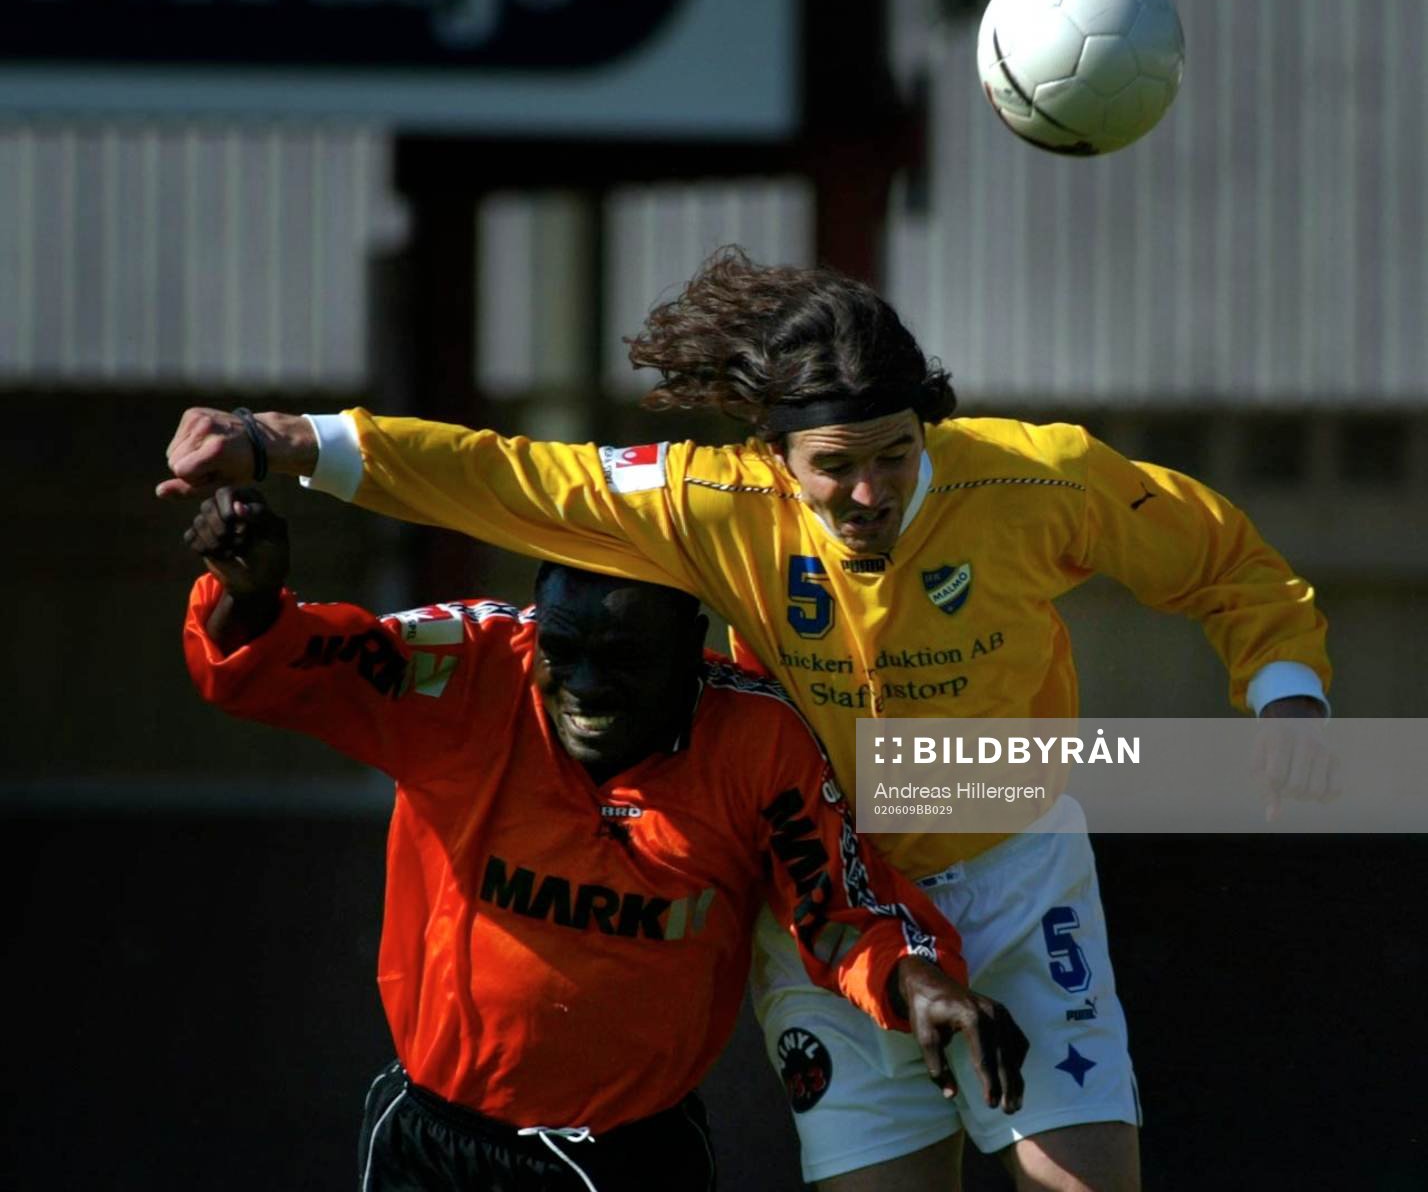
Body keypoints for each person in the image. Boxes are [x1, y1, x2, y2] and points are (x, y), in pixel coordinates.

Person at [160, 248, 1331, 1192]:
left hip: (1013, 863)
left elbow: (1223, 557)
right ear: (773, 452)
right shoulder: (708, 503)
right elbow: (503, 473)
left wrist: (1286, 692)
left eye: (896, 455)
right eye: (835, 466)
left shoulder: (1037, 481)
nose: (868, 492)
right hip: (834, 892)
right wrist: (279, 439)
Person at [181, 483, 1029, 1192]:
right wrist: (248, 599)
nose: (584, 685)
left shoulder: (755, 740)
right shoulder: (470, 668)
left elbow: (837, 906)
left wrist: (919, 980)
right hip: (434, 1145)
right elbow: (282, 667)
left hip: (636, 1158)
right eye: (565, 648)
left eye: (623, 657)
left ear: (691, 650)